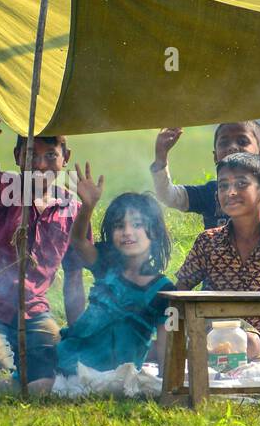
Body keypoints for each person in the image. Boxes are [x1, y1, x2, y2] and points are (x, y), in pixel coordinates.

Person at [0, 112, 88, 379]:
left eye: (50, 155)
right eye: (30, 155)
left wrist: (77, 335)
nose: (39, 164)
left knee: (61, 368)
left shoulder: (73, 210)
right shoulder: (3, 188)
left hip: (33, 311)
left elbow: (74, 279)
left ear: (65, 158)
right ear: (16, 157)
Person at [30, 167, 175, 391]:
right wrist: (87, 207)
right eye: (119, 226)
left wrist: (168, 386)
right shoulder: (107, 264)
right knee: (22, 379)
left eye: (137, 225)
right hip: (69, 355)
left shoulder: (162, 290)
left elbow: (167, 346)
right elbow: (78, 241)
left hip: (107, 376)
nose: (127, 232)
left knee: (39, 387)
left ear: (153, 232)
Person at [173, 153, 260, 365]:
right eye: (223, 186)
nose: (230, 192)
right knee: (237, 343)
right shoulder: (208, 241)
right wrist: (174, 347)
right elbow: (179, 291)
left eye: (241, 184)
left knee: (251, 344)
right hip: (212, 331)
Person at [151, 121, 260, 240]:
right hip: (217, 285)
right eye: (224, 142)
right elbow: (169, 196)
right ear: (215, 156)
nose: (232, 147)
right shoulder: (211, 191)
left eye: (242, 141)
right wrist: (161, 158)